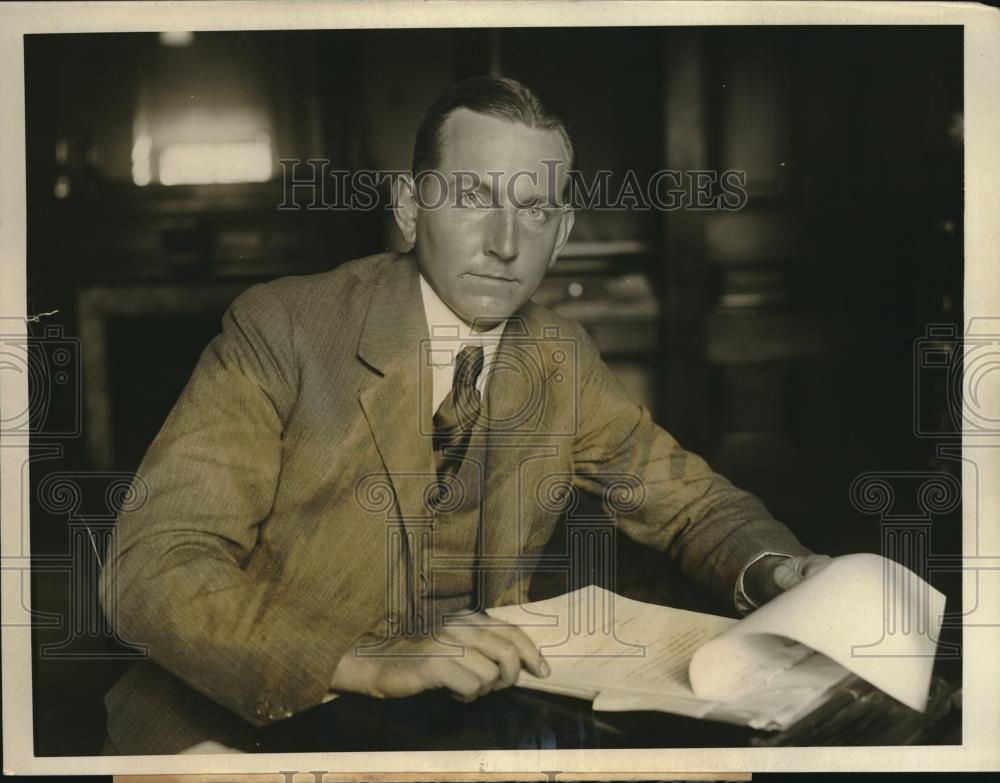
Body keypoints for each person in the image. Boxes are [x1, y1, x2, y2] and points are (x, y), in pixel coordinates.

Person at [99, 76, 830, 755]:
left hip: (444, 736)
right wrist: (362, 659)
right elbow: (151, 571)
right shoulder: (282, 328)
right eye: (476, 196)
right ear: (411, 208)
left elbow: (691, 504)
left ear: (563, 230)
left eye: (535, 209)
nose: (506, 243)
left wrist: (775, 567)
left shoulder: (558, 356)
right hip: (242, 730)